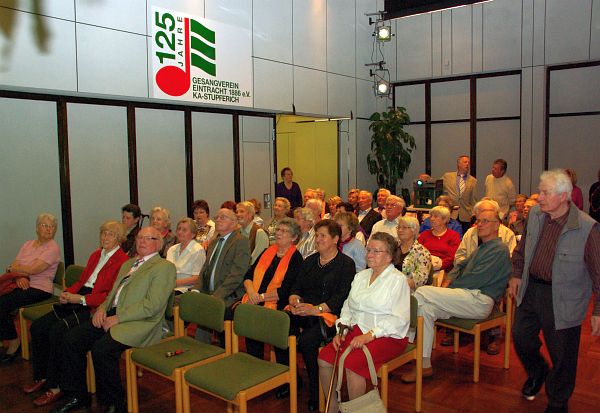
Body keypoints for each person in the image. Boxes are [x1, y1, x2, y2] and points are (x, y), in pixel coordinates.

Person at [51, 226, 176, 413]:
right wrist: (102, 309)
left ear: (158, 244)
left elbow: (152, 306)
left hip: (141, 322)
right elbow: (112, 294)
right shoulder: (129, 264)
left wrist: (118, 318)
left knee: (101, 350)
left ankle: (115, 403)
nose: (141, 241)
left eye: (148, 238)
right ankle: (78, 396)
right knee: (72, 339)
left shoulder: (164, 267)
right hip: (114, 313)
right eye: (139, 237)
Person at [509, 169, 600, 413]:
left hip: (564, 298)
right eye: (540, 192)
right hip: (531, 289)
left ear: (563, 196)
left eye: (545, 193)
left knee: (563, 355)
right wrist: (517, 273)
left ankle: (558, 402)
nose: (538, 197)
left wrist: (598, 310)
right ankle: (538, 371)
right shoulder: (536, 215)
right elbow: (522, 249)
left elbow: (598, 272)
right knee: (521, 338)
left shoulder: (586, 227)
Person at [24, 221, 129, 407]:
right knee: (39, 327)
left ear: (119, 239)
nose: (105, 237)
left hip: (93, 303)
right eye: (103, 233)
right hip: (80, 296)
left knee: (59, 332)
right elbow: (82, 282)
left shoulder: (122, 261)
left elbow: (109, 295)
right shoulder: (96, 254)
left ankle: (58, 386)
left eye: (111, 234)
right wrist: (67, 293)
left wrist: (80, 299)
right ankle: (43, 376)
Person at [401, 208, 512, 383]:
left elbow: (476, 279)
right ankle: (423, 364)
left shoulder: (499, 249)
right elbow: (459, 265)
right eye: (478, 221)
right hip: (465, 296)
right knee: (425, 309)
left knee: (421, 292)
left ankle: (402, 342)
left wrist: (449, 288)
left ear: (497, 225)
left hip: (480, 300)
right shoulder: (482, 248)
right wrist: (448, 280)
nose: (479, 224)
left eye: (485, 221)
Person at [318, 232, 410, 413]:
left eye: (376, 251)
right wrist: (342, 330)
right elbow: (348, 306)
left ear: (389, 256)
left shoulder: (397, 280)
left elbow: (399, 319)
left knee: (353, 364)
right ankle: (333, 406)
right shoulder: (361, 276)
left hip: (387, 335)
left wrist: (370, 335)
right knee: (324, 359)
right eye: (369, 250)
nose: (370, 254)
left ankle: (356, 410)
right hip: (357, 331)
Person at [288, 219, 355, 411]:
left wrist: (316, 309)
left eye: (323, 236)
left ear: (335, 239)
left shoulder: (345, 264)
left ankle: (317, 391)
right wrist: (294, 299)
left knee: (307, 341)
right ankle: (291, 379)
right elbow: (296, 286)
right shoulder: (310, 261)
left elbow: (342, 297)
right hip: (305, 310)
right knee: (281, 325)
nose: (317, 239)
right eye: (316, 235)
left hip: (330, 316)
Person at [451, 199, 516, 355]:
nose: (480, 222)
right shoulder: (470, 232)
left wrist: (483, 271)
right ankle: (457, 330)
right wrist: (467, 268)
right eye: (478, 216)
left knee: (489, 290)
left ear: (495, 218)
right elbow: (460, 255)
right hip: (470, 275)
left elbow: (511, 258)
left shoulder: (506, 234)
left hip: (494, 276)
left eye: (486, 217)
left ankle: (494, 335)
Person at [0, 213, 61, 363]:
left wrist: (16, 270)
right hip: (21, 284)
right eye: (45, 225)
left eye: (52, 227)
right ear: (37, 228)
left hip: (40, 288)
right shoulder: (28, 244)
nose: (49, 229)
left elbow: (34, 270)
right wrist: (19, 277)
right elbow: (14, 265)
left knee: (2, 304)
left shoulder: (52, 248)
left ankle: (14, 342)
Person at [241, 218, 303, 366]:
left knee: (266, 321)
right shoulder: (267, 251)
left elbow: (285, 290)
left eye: (284, 231)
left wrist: (260, 297)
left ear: (294, 237)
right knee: (250, 321)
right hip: (255, 299)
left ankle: (285, 373)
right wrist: (252, 293)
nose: (279, 233)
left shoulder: (296, 258)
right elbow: (248, 276)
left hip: (278, 304)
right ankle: (255, 366)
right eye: (278, 230)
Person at [193, 208, 250, 344]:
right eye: (217, 217)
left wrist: (216, 296)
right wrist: (196, 289)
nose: (218, 220)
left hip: (230, 294)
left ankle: (215, 349)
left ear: (234, 222)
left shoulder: (240, 241)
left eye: (222, 217)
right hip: (210, 292)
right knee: (192, 303)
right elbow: (205, 269)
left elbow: (237, 274)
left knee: (208, 310)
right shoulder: (214, 242)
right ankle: (202, 348)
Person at [166, 217, 206, 293]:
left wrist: (174, 283)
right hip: (169, 287)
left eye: (184, 230)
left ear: (193, 234)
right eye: (178, 229)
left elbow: (197, 278)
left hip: (186, 290)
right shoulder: (171, 249)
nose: (180, 232)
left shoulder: (198, 250)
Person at [442, 155, 478, 233]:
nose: (467, 164)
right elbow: (437, 186)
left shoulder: (473, 181)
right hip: (450, 214)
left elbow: (473, 200)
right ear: (458, 164)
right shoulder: (447, 177)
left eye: (468, 162)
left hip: (466, 216)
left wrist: (473, 214)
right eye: (465, 162)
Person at [417, 206, 460, 272]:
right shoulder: (424, 234)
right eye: (431, 216)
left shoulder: (453, 236)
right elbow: (417, 252)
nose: (432, 219)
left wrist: (438, 265)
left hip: (445, 270)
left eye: (435, 216)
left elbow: (452, 257)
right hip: (423, 268)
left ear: (444, 220)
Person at [396, 216, 432, 292]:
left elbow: (420, 279)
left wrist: (397, 286)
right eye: (398, 227)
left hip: (407, 291)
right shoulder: (392, 247)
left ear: (414, 231)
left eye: (404, 227)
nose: (400, 230)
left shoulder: (422, 252)